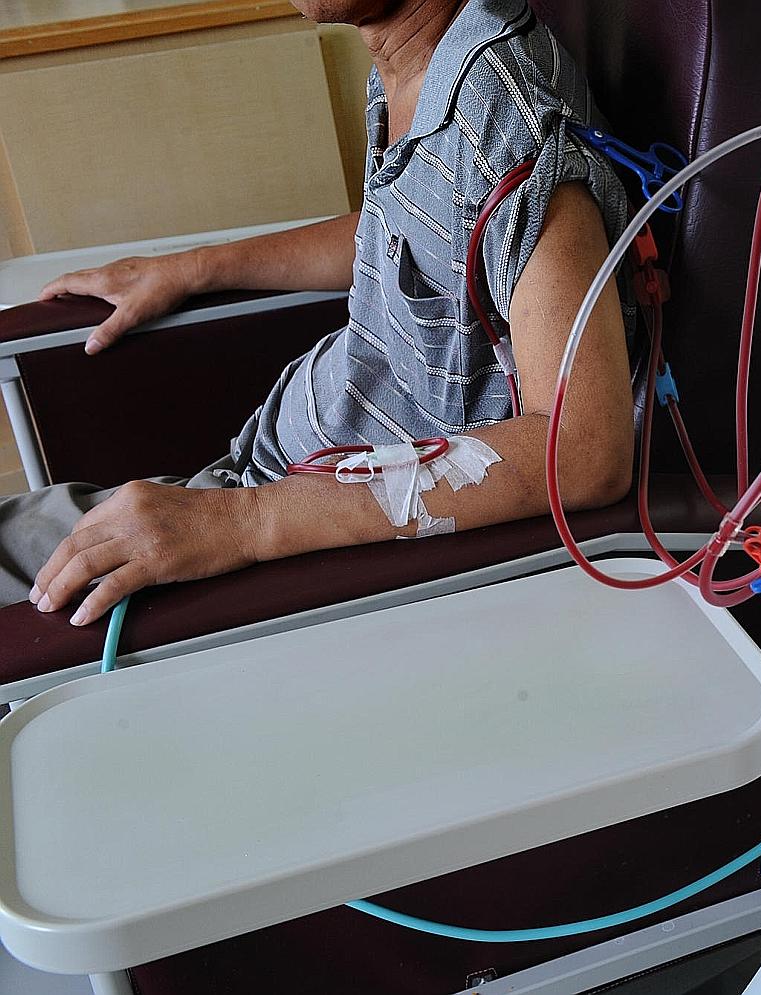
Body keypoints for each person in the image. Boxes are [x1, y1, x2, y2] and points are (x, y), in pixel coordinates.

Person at [0, 0, 636, 626]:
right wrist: (191, 269)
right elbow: (407, 233)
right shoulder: (422, 68)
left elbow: (581, 451)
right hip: (257, 481)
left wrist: (243, 524)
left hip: (297, 561)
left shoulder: (516, 142)